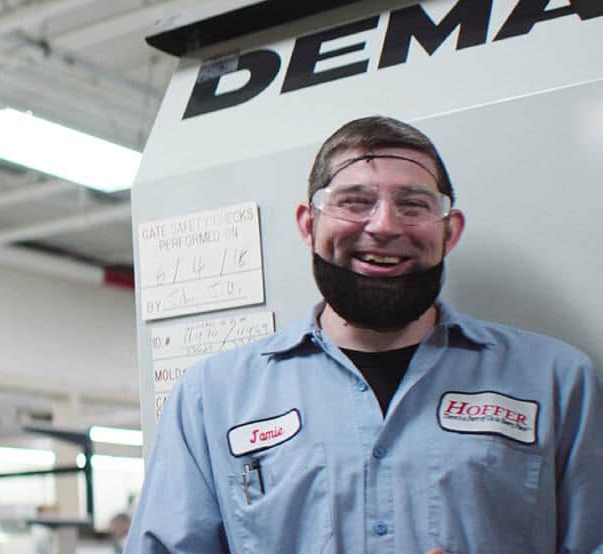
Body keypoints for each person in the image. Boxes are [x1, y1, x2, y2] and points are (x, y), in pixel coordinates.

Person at [124, 116, 602, 553]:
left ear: (449, 232)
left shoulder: (558, 383)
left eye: (413, 205)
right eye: (354, 202)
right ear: (308, 225)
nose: (384, 225)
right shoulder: (211, 398)